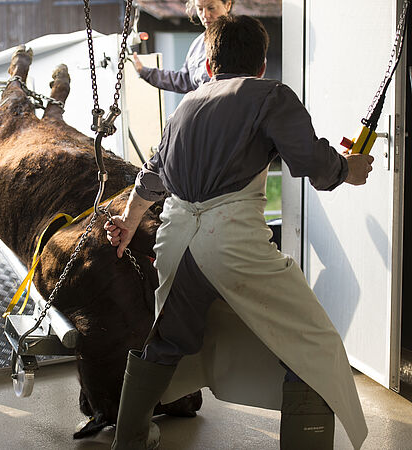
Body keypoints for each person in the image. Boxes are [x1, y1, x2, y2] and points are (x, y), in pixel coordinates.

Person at [105, 15, 373, 450]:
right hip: (231, 240)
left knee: (168, 339)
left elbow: (150, 178)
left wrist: (130, 221)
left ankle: (129, 439)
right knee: (313, 339)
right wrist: (349, 168)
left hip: (174, 238)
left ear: (209, 67)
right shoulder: (271, 95)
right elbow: (309, 162)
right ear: (263, 64)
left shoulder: (183, 109)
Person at [132, 0, 233, 93]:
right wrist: (145, 72)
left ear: (228, 5)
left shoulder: (240, 40)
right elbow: (184, 80)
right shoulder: (198, 44)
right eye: (200, 9)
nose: (205, 15)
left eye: (211, 8)